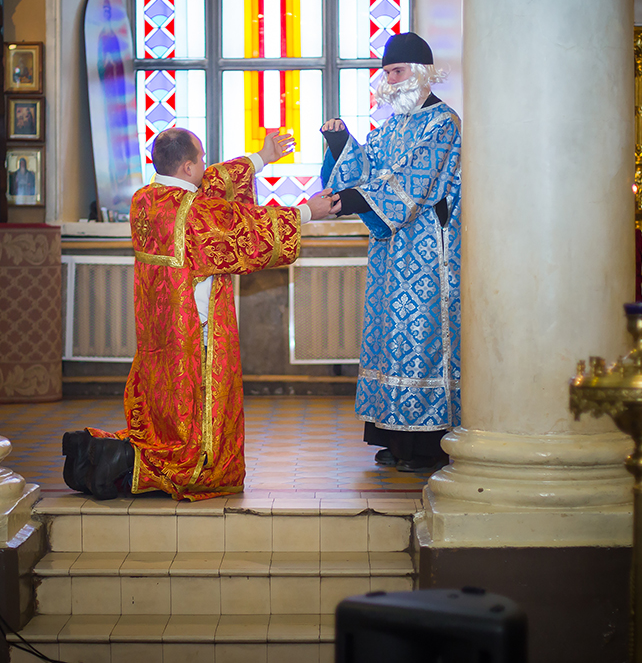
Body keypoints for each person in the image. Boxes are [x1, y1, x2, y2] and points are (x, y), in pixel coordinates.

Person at [63, 128, 341, 500]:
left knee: (166, 412)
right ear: (188, 167)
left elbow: (208, 183)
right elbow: (249, 232)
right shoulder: (195, 214)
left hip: (159, 331)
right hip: (195, 334)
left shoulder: (144, 199)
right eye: (202, 160)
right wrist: (309, 211)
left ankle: (106, 454)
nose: (207, 167)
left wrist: (261, 158)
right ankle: (133, 460)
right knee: (196, 421)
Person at [319, 32, 462, 473]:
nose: (390, 81)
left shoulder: (443, 123)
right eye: (386, 73)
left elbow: (414, 182)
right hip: (389, 251)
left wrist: (353, 199)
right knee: (388, 339)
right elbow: (368, 169)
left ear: (420, 73)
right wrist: (341, 144)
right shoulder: (392, 125)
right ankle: (395, 438)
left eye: (396, 72)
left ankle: (429, 444)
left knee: (420, 338)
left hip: (428, 253)